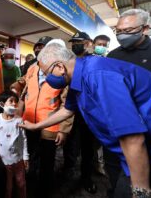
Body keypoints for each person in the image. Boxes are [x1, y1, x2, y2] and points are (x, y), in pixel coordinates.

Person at [20, 42, 151, 198]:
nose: (46, 78)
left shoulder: (98, 75)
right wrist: (36, 126)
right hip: (131, 154)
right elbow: (67, 110)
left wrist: (142, 193)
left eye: (46, 73)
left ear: (59, 67)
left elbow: (133, 138)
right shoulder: (79, 74)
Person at [104, 8, 151, 197]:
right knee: (117, 179)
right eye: (119, 31)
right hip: (120, 132)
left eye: (129, 30)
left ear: (145, 28)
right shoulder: (113, 56)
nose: (122, 35)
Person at [21, 39, 73, 197]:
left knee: (47, 162)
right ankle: (28, 185)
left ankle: (43, 190)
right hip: (29, 122)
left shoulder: (63, 75)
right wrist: (18, 112)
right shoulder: (33, 67)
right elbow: (25, 91)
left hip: (50, 127)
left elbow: (68, 105)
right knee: (29, 156)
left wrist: (63, 130)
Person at [64, 31, 97, 193]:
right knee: (69, 146)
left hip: (89, 115)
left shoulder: (96, 62)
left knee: (87, 149)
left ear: (88, 43)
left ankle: (86, 178)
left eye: (78, 42)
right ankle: (67, 172)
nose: (74, 45)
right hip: (71, 112)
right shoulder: (71, 62)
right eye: (73, 42)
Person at [0, 91, 29, 198]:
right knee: (8, 187)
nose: (14, 104)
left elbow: (23, 139)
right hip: (4, 161)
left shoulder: (19, 120)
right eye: (10, 101)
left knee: (21, 184)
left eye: (16, 101)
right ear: (2, 104)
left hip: (18, 160)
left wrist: (25, 156)